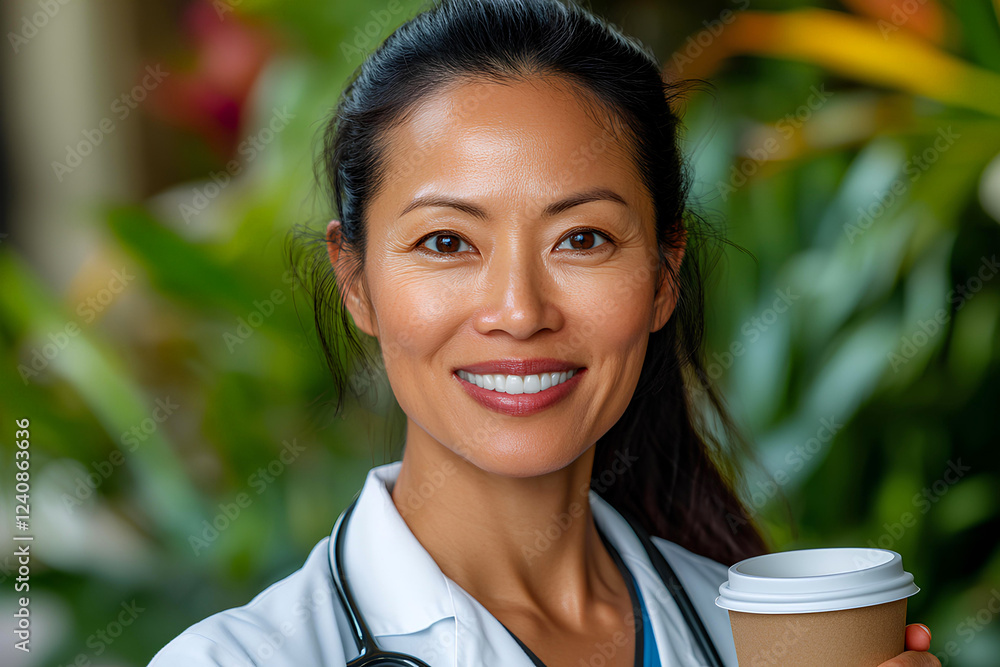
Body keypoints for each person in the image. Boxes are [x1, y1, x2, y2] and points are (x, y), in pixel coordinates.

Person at [148, 0, 940, 665]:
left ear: (665, 271)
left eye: (583, 239)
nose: (521, 311)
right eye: (448, 242)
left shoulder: (767, 642)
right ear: (355, 280)